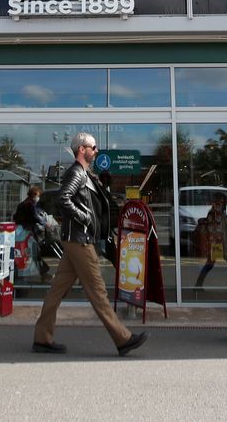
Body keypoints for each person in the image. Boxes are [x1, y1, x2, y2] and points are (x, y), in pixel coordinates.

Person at [32, 132, 147, 357]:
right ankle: (123, 338)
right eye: (93, 147)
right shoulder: (76, 172)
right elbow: (63, 198)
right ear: (82, 149)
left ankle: (42, 338)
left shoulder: (86, 173)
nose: (96, 151)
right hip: (80, 240)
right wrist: (84, 217)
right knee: (97, 290)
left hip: (78, 239)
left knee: (57, 290)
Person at [194, 193, 227, 290]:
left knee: (211, 264)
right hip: (218, 244)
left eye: (223, 202)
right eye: (219, 202)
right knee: (225, 264)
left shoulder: (220, 213)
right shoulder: (215, 214)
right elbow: (214, 229)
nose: (222, 204)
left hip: (221, 243)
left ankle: (198, 284)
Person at [13, 184, 52, 280]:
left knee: (29, 252)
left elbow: (15, 217)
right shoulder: (29, 204)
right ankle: (43, 272)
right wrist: (44, 223)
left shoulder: (23, 203)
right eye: (38, 195)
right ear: (33, 195)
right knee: (35, 251)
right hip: (27, 231)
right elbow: (35, 217)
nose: (38, 198)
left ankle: (43, 272)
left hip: (20, 230)